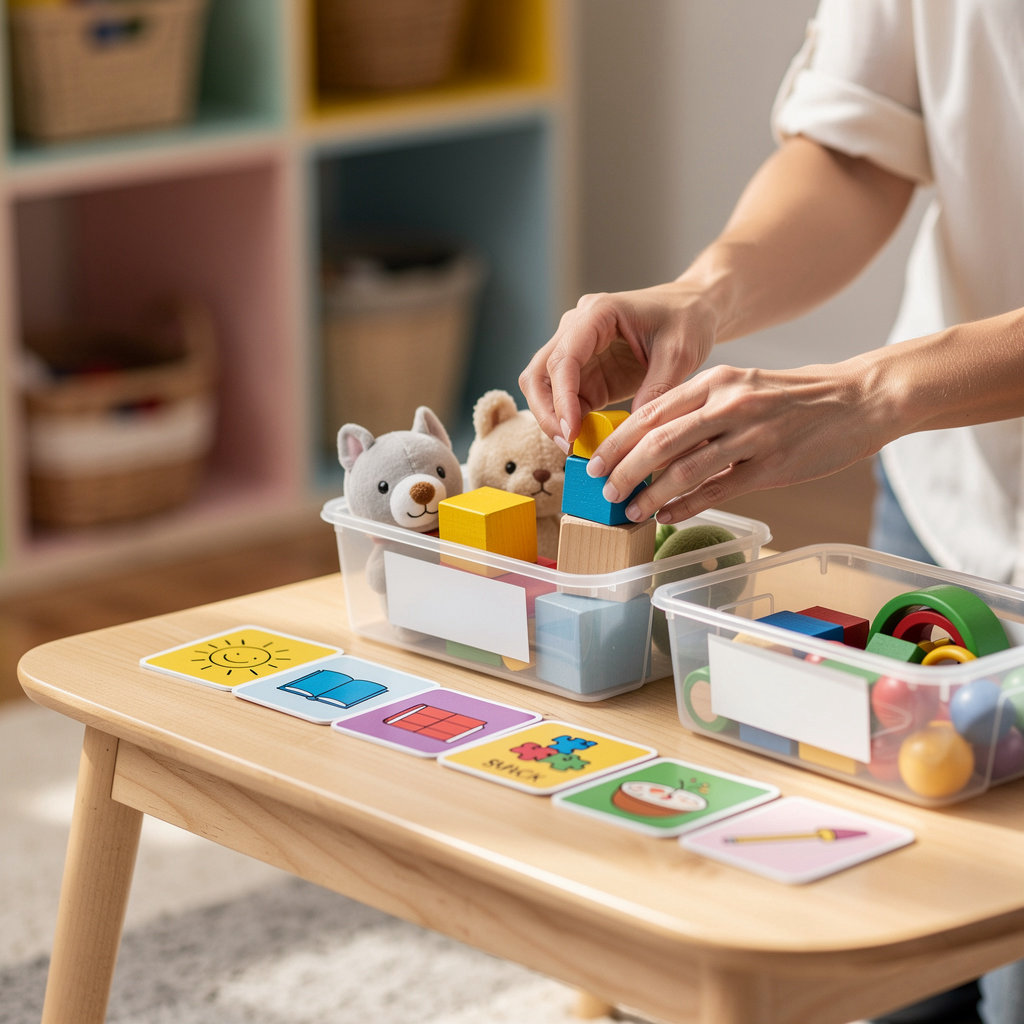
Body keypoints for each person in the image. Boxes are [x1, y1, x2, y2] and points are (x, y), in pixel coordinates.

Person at [519, 3, 1024, 1023]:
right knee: (876, 970)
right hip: (945, 518)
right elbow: (859, 143)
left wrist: (875, 393)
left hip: (924, 427)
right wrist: (703, 295)